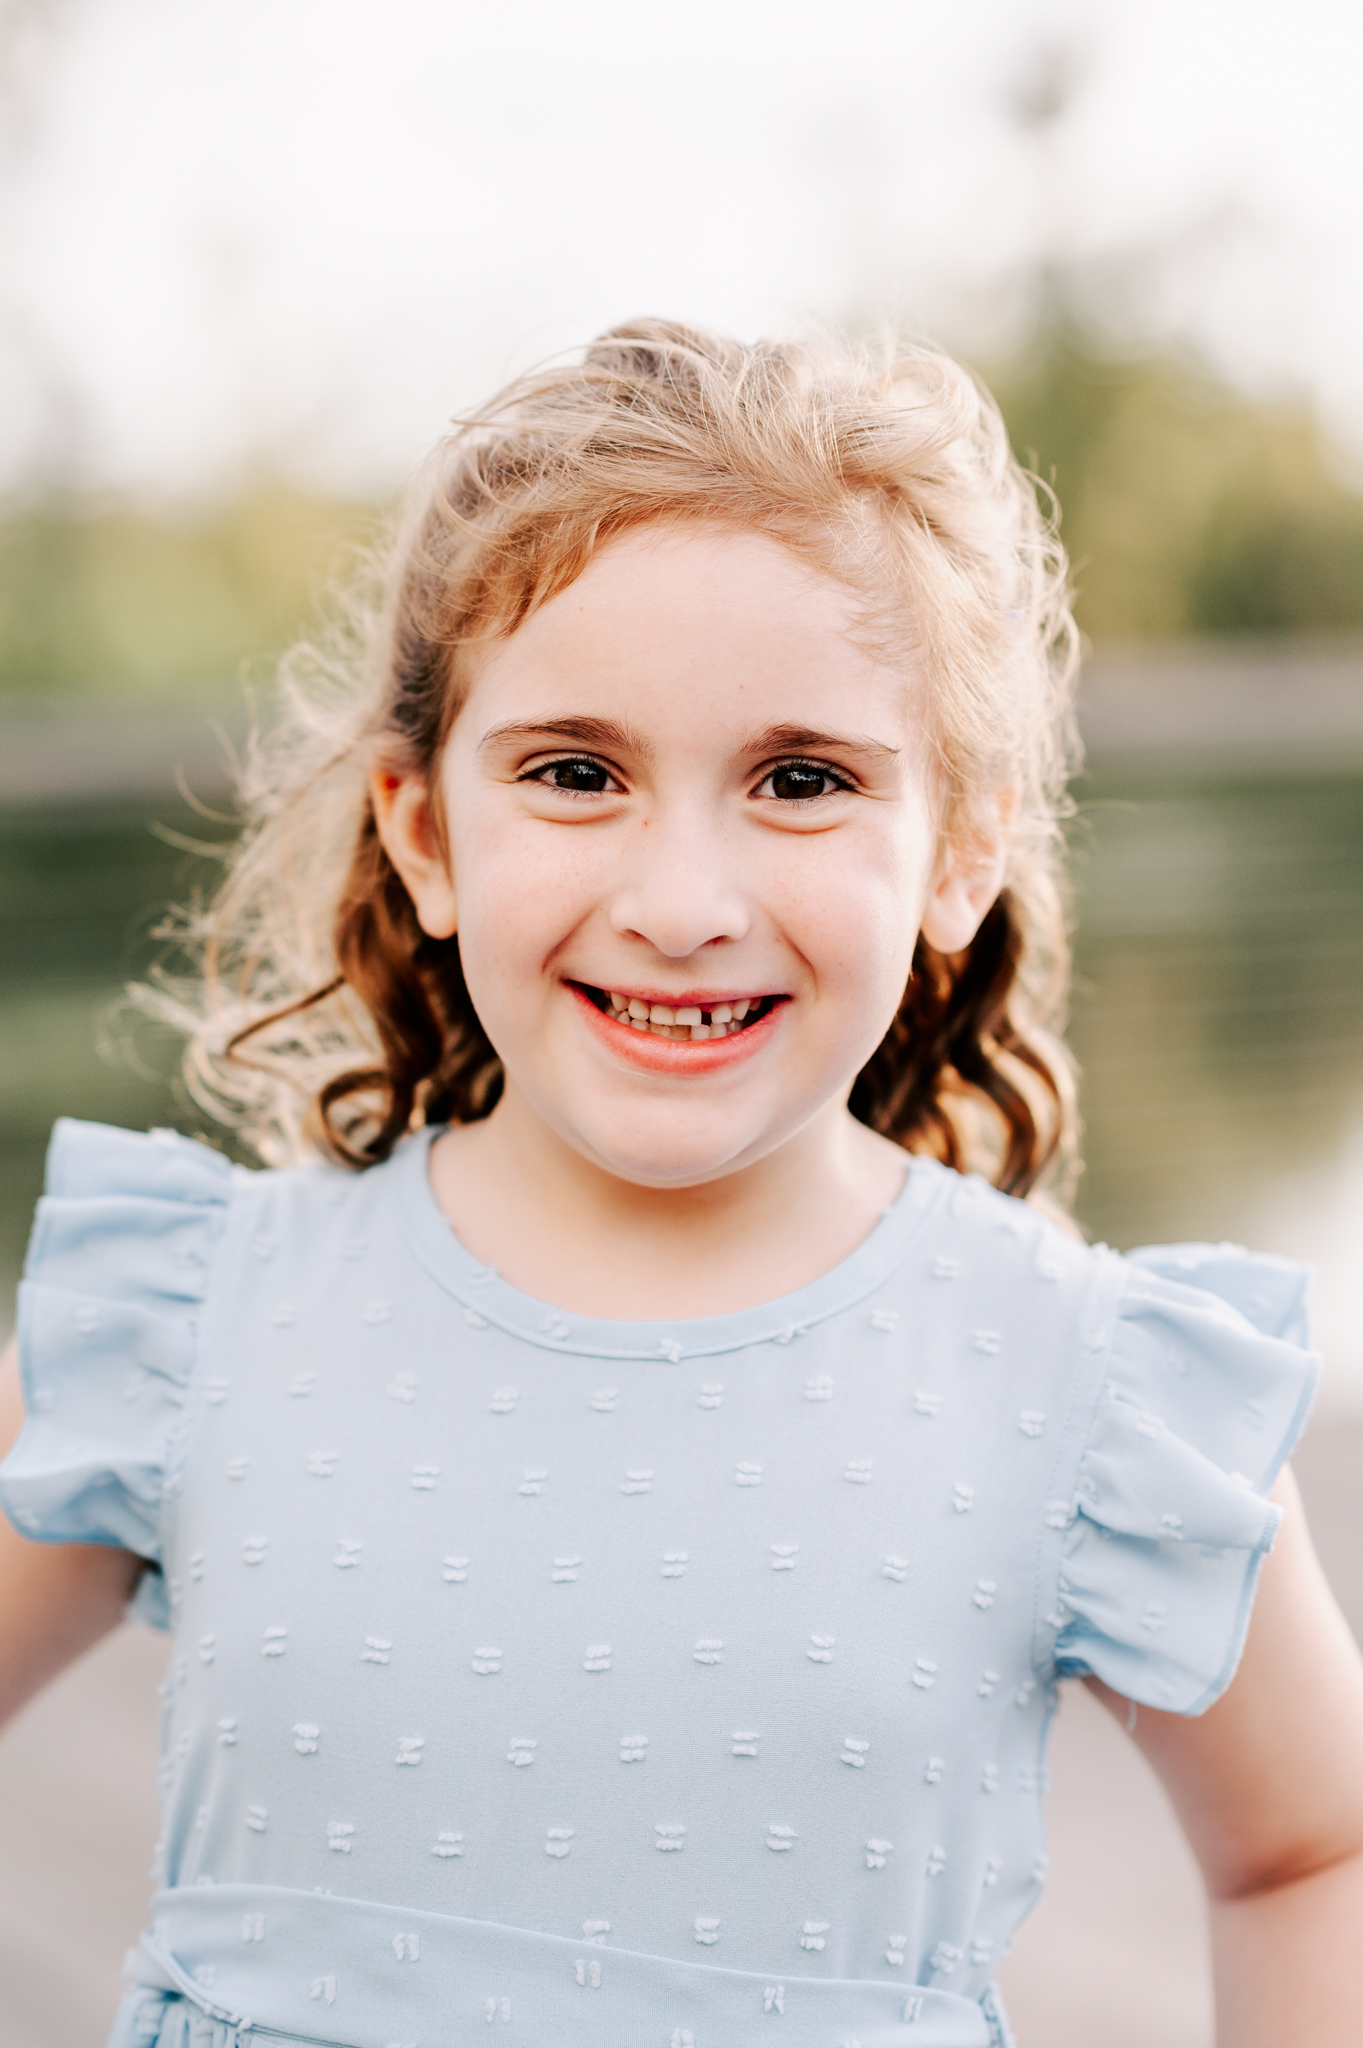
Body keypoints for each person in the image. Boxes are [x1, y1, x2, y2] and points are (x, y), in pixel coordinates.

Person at [1, 322, 1361, 2048]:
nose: (682, 897)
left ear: (958, 853)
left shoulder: (1093, 1385)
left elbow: (1317, 1846)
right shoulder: (194, 1317)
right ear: (426, 831)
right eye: (578, 774)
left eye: (802, 781)